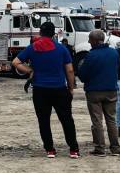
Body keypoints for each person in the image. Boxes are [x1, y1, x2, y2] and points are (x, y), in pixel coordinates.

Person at [12, 21, 79, 158]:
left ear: (40, 33)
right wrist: (71, 88)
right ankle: (73, 150)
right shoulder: (61, 49)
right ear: (54, 34)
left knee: (44, 120)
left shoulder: (32, 48)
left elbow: (16, 62)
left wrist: (30, 70)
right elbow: (70, 70)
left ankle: (50, 150)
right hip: (59, 89)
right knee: (66, 120)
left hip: (40, 90)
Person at [77, 29, 120, 156]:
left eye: (90, 40)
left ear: (95, 41)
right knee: (111, 119)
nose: (89, 42)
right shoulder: (114, 53)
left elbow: (83, 75)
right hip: (111, 89)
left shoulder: (91, 55)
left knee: (97, 121)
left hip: (94, 91)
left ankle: (100, 148)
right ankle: (115, 148)